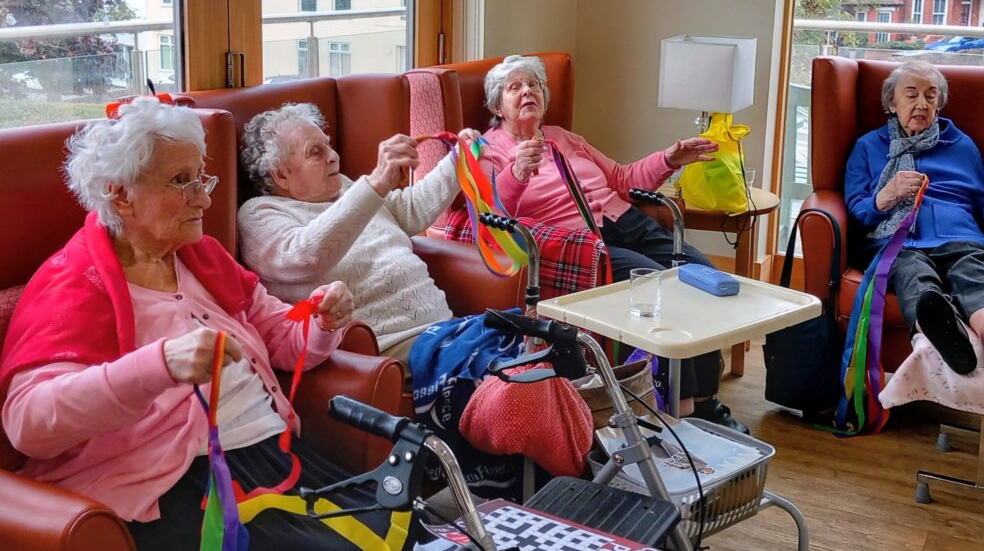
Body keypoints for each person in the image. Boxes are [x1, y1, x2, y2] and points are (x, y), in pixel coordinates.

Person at [0, 97, 409, 550]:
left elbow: (284, 342)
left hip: (274, 455)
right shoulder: (72, 282)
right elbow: (29, 423)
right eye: (181, 182)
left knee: (413, 531)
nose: (205, 197)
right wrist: (159, 365)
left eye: (201, 178)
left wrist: (320, 322)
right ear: (120, 192)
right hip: (178, 483)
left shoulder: (201, 255)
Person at [476, 54, 747, 433]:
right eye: (515, 87)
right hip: (583, 242)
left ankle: (703, 399)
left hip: (623, 220)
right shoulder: (491, 150)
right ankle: (687, 410)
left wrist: (669, 159)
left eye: (534, 85)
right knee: (663, 292)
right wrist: (517, 171)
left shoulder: (564, 137)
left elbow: (622, 178)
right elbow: (491, 212)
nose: (527, 92)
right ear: (495, 105)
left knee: (701, 275)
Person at [237, 103, 478, 365]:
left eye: (328, 145)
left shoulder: (345, 187)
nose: (334, 156)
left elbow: (408, 210)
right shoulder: (260, 213)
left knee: (524, 354)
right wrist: (376, 182)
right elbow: (306, 255)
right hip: (403, 351)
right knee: (514, 378)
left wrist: (458, 161)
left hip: (450, 331)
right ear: (281, 174)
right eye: (316, 152)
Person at [845, 60, 984, 375]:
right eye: (911, 95)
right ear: (891, 102)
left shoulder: (961, 145)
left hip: (961, 236)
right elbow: (857, 211)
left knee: (973, 270)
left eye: (931, 96)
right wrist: (886, 195)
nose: (922, 104)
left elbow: (983, 210)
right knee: (914, 276)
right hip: (898, 242)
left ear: (939, 103)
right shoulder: (869, 147)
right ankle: (953, 343)